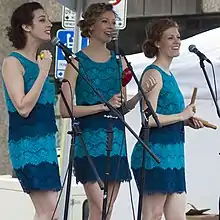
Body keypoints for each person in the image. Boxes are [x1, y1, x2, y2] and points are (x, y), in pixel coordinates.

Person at [59, 3, 156, 220]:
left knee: (104, 211)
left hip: (116, 137)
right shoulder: (76, 62)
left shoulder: (119, 61)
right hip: (89, 140)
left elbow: (121, 107)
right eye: (105, 21)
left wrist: (140, 96)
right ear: (90, 26)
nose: (111, 26)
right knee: (100, 207)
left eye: (114, 22)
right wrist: (103, 105)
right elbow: (65, 109)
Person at [131, 18, 204, 220]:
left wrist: (185, 120)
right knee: (152, 215)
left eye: (178, 37)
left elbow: (166, 116)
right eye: (170, 37)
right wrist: (181, 115)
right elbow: (148, 119)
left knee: (178, 216)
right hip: (154, 154)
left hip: (173, 154)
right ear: (157, 43)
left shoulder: (169, 75)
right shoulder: (153, 73)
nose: (177, 41)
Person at [1, 2, 61, 220]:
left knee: (46, 212)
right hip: (27, 144)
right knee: (51, 212)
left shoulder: (39, 61)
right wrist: (43, 73)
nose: (48, 25)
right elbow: (23, 107)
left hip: (46, 144)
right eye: (42, 20)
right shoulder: (13, 62)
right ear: (26, 27)